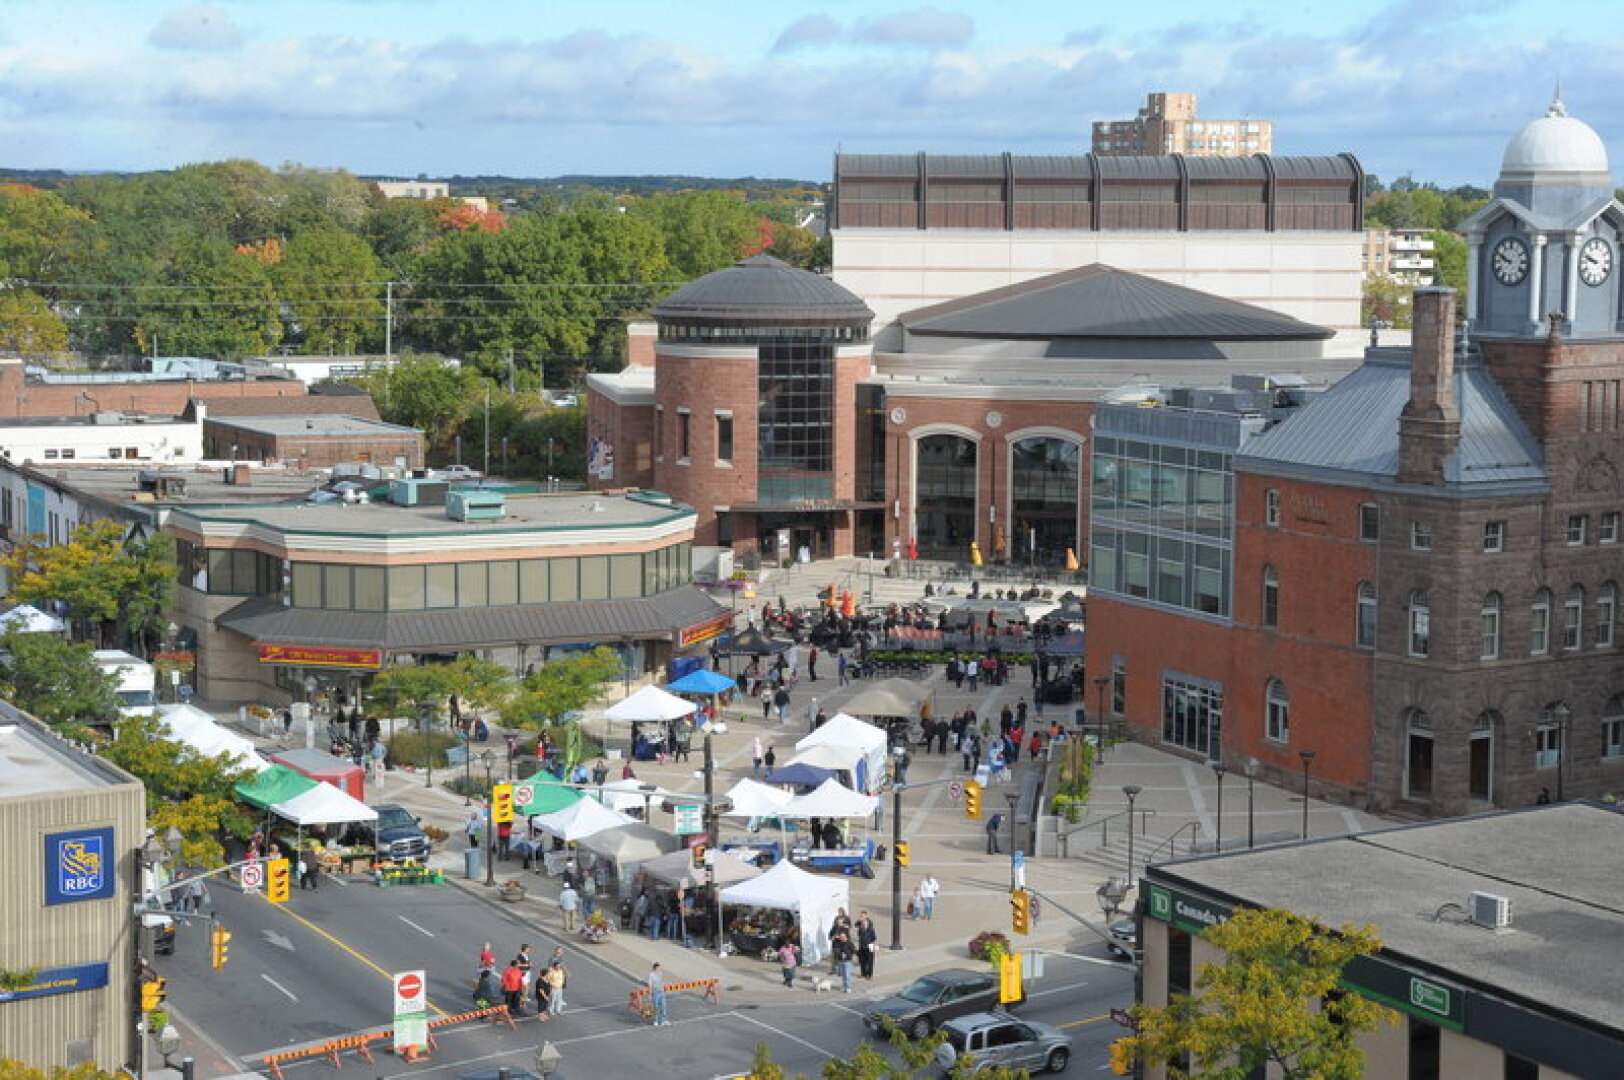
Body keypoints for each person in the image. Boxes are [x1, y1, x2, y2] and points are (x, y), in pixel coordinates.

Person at [831, 928, 855, 993]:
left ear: (846, 936)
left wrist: (847, 954)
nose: (842, 938)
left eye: (843, 936)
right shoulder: (839, 943)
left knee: (847, 974)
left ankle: (848, 987)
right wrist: (840, 954)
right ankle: (844, 986)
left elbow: (854, 951)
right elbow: (836, 951)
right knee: (843, 975)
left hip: (847, 961)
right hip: (841, 961)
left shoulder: (849, 943)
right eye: (841, 937)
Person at [856, 911, 878, 979]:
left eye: (865, 923)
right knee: (862, 961)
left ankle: (869, 975)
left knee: (870, 961)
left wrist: (873, 946)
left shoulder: (871, 929)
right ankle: (863, 973)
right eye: (863, 924)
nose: (863, 924)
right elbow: (858, 933)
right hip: (862, 946)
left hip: (869, 946)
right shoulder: (860, 929)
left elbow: (874, 938)